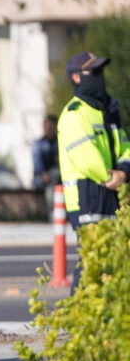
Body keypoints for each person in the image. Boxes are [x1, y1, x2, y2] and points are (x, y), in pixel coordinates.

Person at [57, 51, 130, 289]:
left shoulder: (107, 113)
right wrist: (113, 177)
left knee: (112, 265)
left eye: (100, 71)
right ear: (76, 77)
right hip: (88, 198)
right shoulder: (74, 114)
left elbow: (126, 147)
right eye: (94, 72)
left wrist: (124, 171)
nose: (99, 77)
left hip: (111, 196)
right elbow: (85, 158)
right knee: (91, 264)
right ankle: (79, 322)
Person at [32, 114, 60, 200]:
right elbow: (37, 161)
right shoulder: (39, 144)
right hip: (41, 177)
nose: (48, 129)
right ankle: (53, 211)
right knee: (52, 180)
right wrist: (43, 172)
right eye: (46, 126)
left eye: (51, 126)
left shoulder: (59, 142)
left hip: (56, 175)